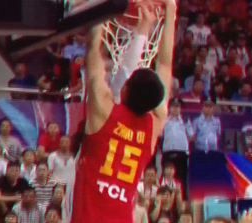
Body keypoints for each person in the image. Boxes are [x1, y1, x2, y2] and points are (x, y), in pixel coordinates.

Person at [71, 0, 176, 222]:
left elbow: (94, 51)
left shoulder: (104, 111)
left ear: (125, 90)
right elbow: (165, 66)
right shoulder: (154, 124)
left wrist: (100, 7)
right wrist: (171, 12)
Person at [162, 98, 192, 196]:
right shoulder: (165, 120)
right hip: (168, 152)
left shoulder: (185, 120)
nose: (175, 109)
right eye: (173, 106)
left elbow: (191, 136)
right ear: (169, 108)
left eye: (177, 106)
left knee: (182, 179)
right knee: (167, 178)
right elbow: (160, 136)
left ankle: (182, 201)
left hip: (182, 154)